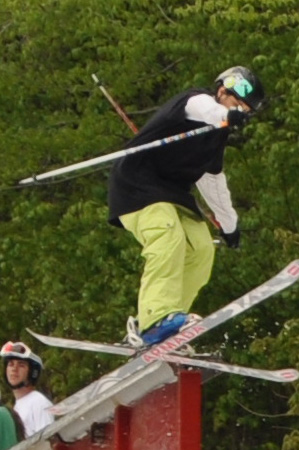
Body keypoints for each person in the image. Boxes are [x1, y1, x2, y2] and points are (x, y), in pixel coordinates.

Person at [107, 66, 265, 346]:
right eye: (236, 103)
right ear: (221, 91)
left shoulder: (217, 136)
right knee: (168, 236)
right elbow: (202, 109)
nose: (239, 110)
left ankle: (167, 323)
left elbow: (212, 180)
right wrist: (225, 115)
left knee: (202, 249)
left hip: (173, 193)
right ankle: (156, 317)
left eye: (245, 109)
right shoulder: (194, 101)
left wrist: (230, 224)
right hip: (137, 185)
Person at [0, 341, 54, 435]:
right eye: (11, 364)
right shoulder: (18, 406)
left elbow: (48, 441)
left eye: (21, 365)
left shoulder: (38, 402)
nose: (14, 369)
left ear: (32, 373)